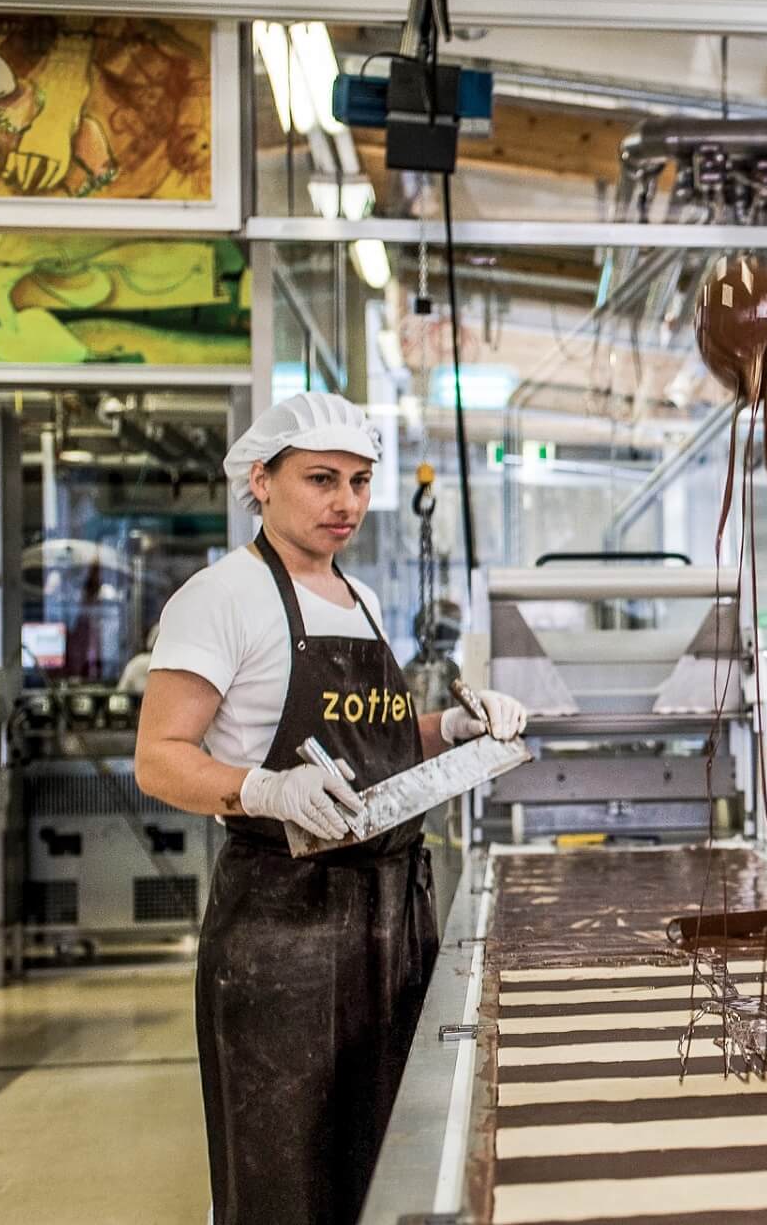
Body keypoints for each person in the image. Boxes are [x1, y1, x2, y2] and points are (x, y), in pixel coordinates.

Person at [134, 392, 527, 1225]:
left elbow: (378, 746)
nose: (344, 501)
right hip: (283, 929)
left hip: (390, 921)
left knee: (384, 1167)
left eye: (357, 480)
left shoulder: (361, 599)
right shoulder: (222, 597)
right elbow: (159, 758)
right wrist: (260, 787)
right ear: (261, 480)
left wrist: (453, 728)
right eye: (320, 479)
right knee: (286, 1180)